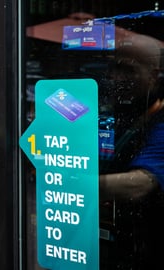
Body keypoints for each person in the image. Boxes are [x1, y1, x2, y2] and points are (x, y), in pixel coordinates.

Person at [98, 33, 164, 269]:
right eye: (113, 68)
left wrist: (73, 185)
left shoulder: (158, 115)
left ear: (154, 76)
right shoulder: (124, 111)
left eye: (128, 70)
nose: (116, 78)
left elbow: (141, 184)